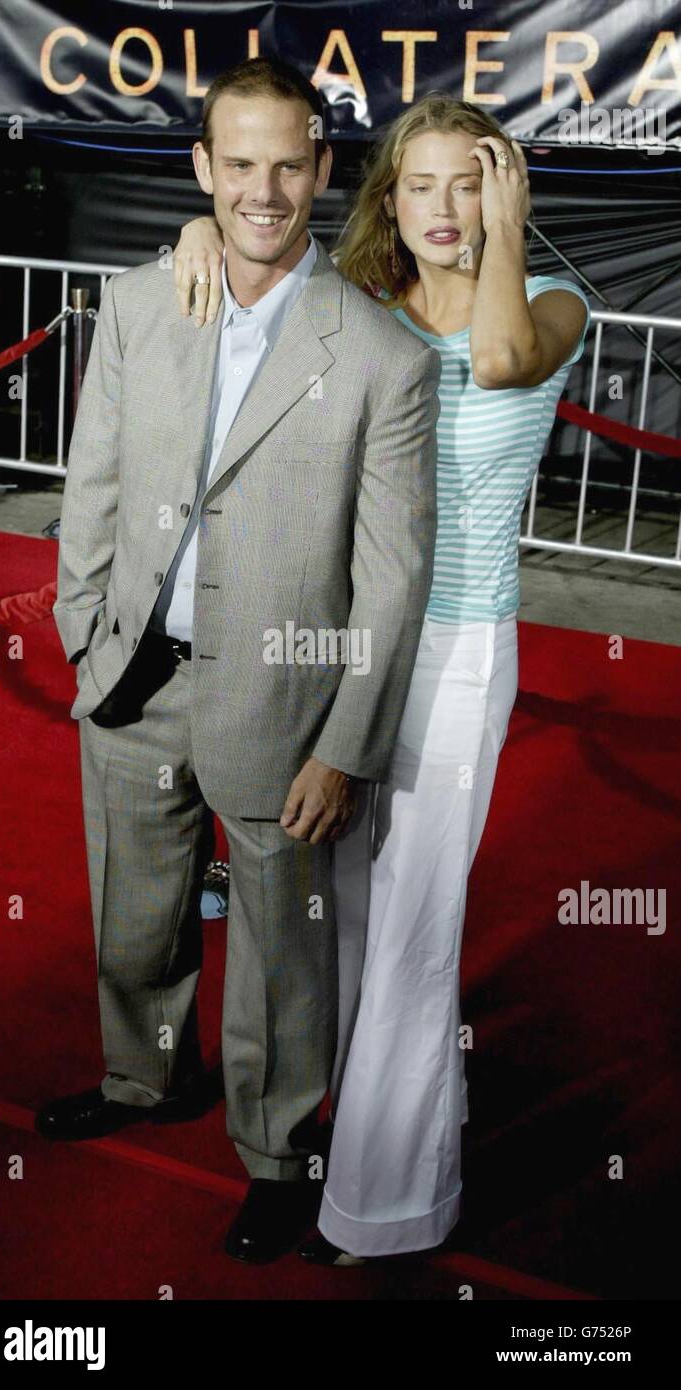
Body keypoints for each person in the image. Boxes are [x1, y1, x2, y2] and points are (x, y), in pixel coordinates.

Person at [172, 92, 590, 1264]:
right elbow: (249, 285)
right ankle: (405, 1118)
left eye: (471, 181)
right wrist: (200, 234)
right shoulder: (356, 310)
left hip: (458, 656)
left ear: (505, 188)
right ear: (387, 201)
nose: (445, 208)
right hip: (350, 649)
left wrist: (507, 235)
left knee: (413, 925)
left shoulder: (554, 303)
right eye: (422, 185)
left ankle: (386, 1204)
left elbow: (501, 358)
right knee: (346, 916)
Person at [38, 56, 440, 1265]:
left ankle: (276, 1150)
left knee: (279, 948)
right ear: (202, 169)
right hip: (133, 675)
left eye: (288, 165)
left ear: (322, 171)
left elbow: (392, 576)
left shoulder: (383, 356)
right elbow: (92, 482)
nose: (263, 191)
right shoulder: (142, 300)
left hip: (284, 697)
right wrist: (82, 627)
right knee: (133, 918)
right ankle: (147, 1075)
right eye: (239, 163)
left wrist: (348, 740)